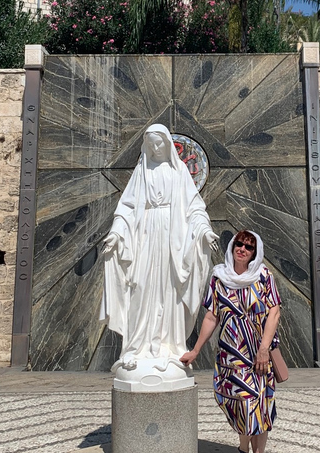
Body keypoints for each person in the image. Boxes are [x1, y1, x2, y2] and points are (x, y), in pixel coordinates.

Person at [101, 124, 218, 381]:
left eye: (159, 144)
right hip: (145, 236)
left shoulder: (178, 174)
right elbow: (127, 208)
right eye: (151, 144)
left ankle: (168, 344)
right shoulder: (141, 173)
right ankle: (138, 346)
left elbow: (194, 208)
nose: (155, 149)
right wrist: (117, 234)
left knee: (169, 290)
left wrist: (203, 231)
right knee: (140, 287)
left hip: (172, 237)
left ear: (167, 144)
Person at [180, 230, 281, 453]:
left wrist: (264, 348)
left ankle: (255, 451)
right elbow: (211, 316)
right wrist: (195, 350)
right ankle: (244, 446)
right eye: (239, 244)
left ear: (255, 252)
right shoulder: (219, 278)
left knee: (260, 404)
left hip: (259, 353)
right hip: (231, 354)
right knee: (241, 404)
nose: (242, 249)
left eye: (249, 247)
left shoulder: (264, 276)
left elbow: (274, 312)